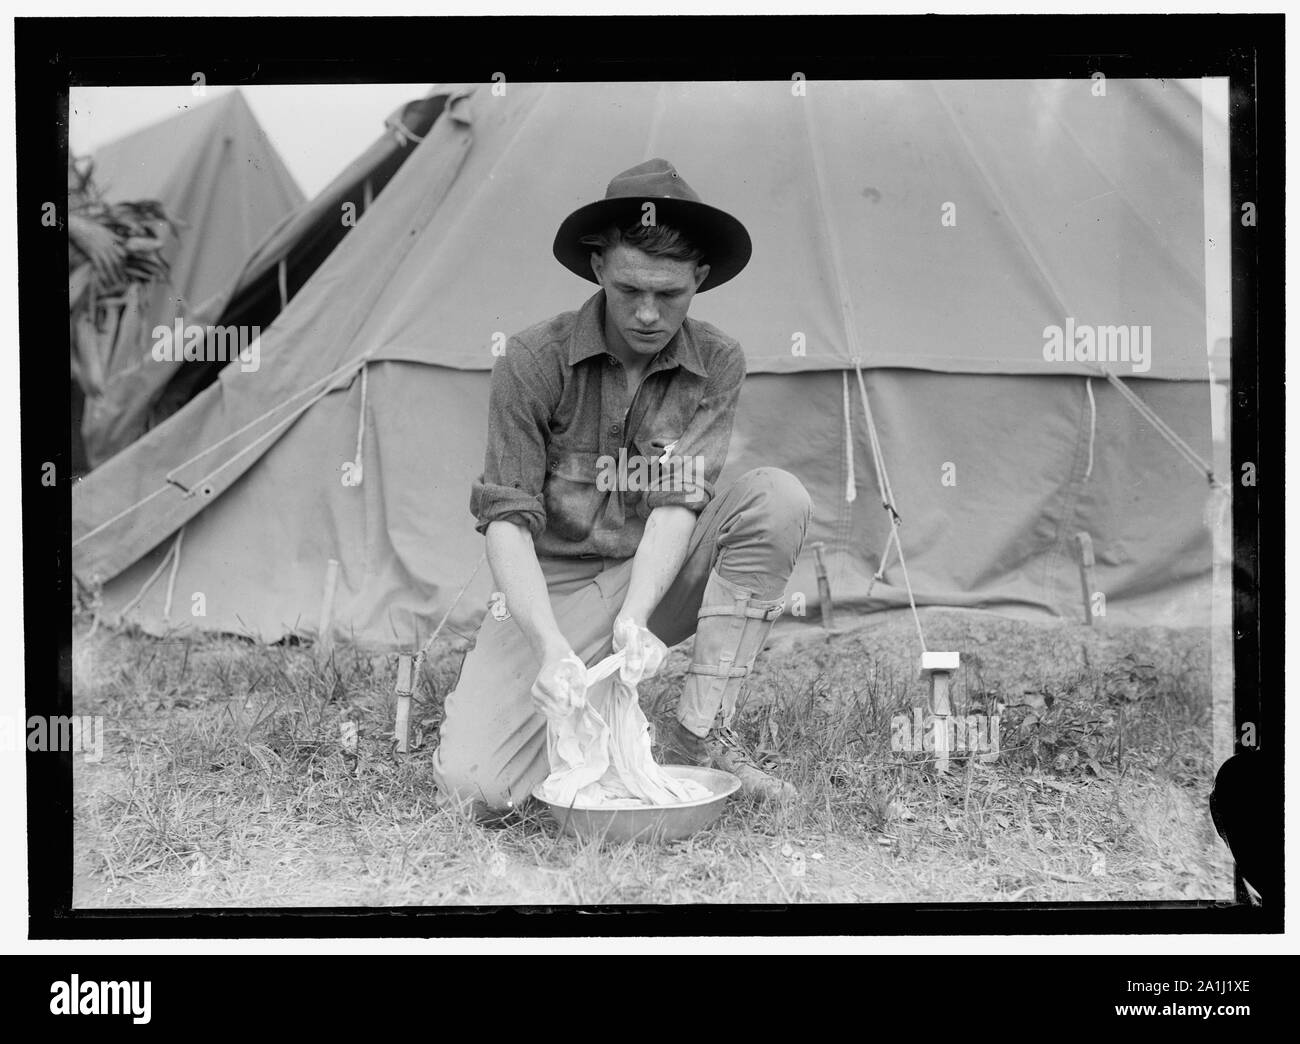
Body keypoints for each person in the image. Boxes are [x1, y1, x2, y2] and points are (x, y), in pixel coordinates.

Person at [431, 159, 812, 817]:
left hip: (657, 577)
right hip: (558, 592)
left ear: (700, 279)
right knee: (478, 789)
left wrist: (636, 617)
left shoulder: (718, 361)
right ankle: (552, 704)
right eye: (630, 288)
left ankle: (699, 732)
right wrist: (550, 648)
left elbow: (677, 504)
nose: (646, 313)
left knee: (776, 498)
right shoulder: (532, 359)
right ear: (598, 265)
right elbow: (507, 521)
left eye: (670, 295)